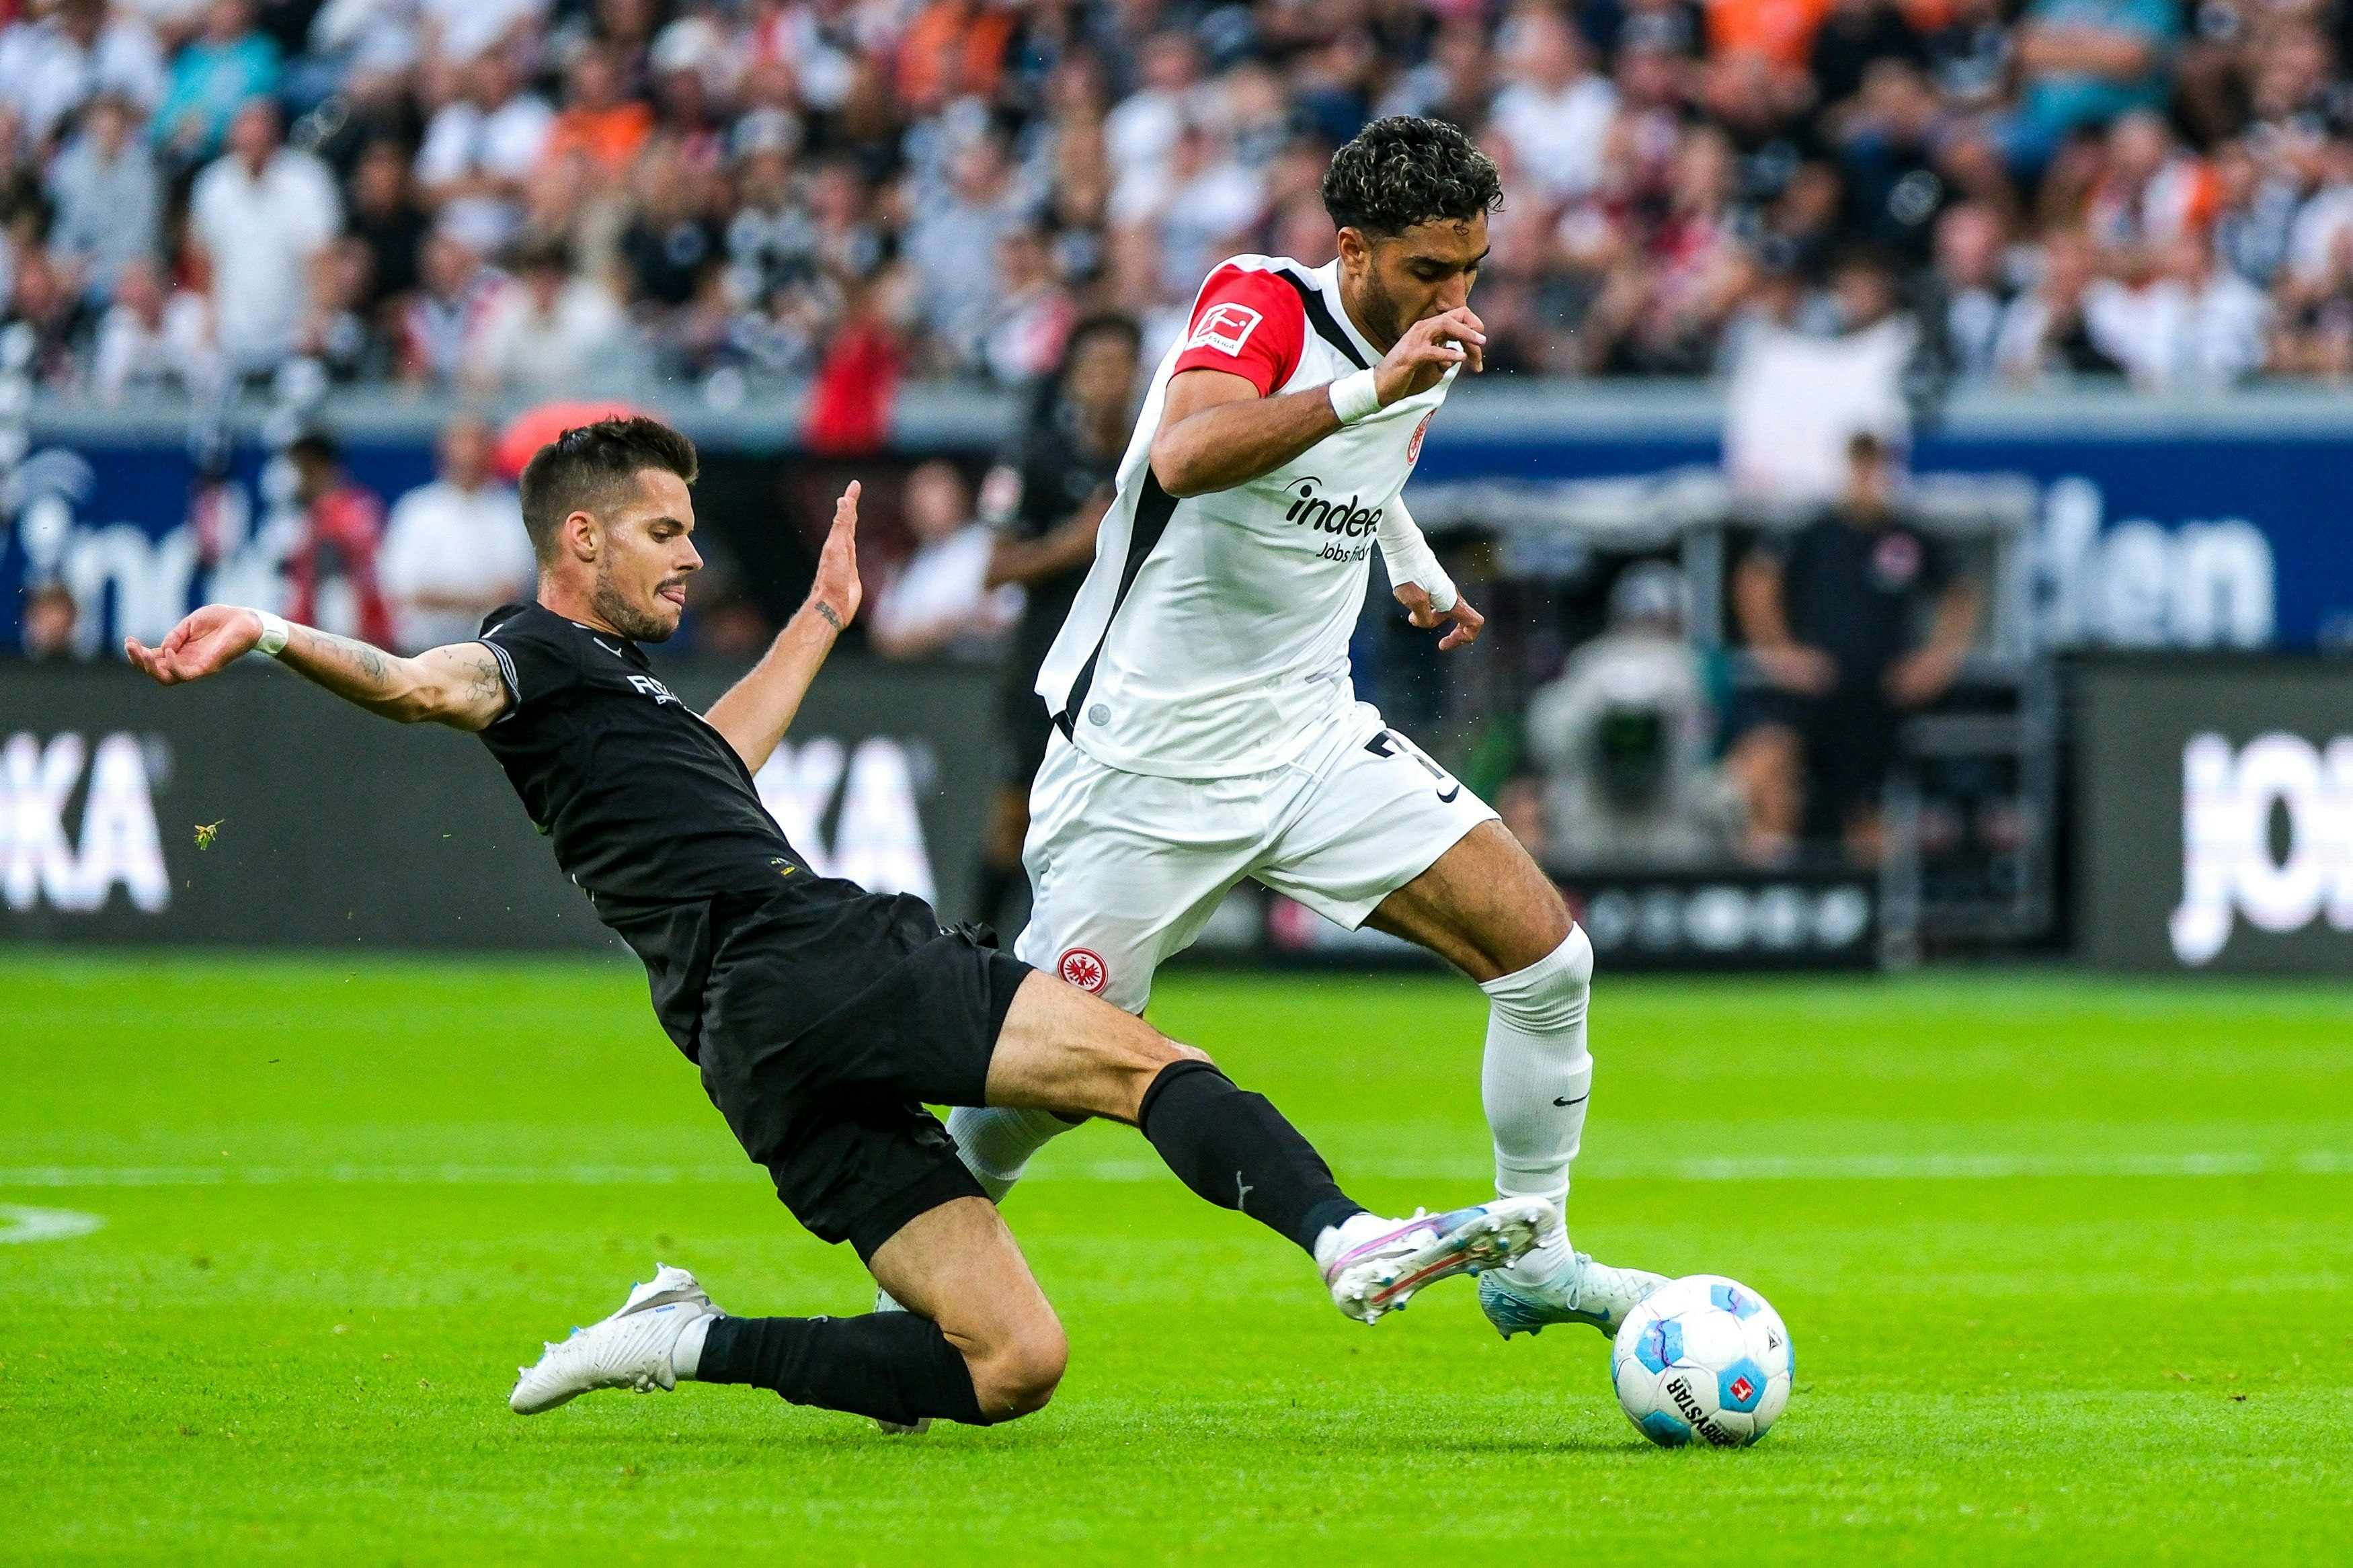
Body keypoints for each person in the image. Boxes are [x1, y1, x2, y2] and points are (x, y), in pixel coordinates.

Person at [124, 416, 1547, 1435]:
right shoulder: (528, 651)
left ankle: (680, 1336)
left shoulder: (609, 692)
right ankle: (1343, 1233)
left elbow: (716, 760)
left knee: (1010, 1360)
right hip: (807, 952)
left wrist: (816, 615)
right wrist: (268, 628)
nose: (688, 557)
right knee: (1139, 1064)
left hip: (747, 1040)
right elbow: (425, 684)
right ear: (578, 534)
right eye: (662, 531)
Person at [943, 118, 1667, 1345]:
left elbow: (1360, 472)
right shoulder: (1260, 301)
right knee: (1043, 1085)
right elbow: (1187, 452)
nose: (1458, 297)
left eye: (1474, 270)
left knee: (1549, 962)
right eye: (1431, 272)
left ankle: (1533, 1249)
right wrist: (1366, 387)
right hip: (1144, 762)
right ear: (1354, 250)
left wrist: (1414, 562)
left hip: (1311, 737)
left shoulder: (1421, 350)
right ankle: (922, 1255)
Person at [1724, 431, 1983, 866]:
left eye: (1879, 466)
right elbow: (1756, 579)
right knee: (1773, 776)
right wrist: (1779, 651)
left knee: (1868, 810)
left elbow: (1961, 593)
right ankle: (1771, 895)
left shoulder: (1907, 537)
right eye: (1863, 466)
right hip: (1812, 695)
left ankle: (1877, 918)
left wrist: (1938, 660)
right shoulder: (1816, 533)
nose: (1871, 478)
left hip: (1874, 700)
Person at [969, 312, 1140, 932]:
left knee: (1106, 820)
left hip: (1128, 664)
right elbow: (993, 570)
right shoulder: (1035, 459)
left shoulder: (1150, 459)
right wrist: (1075, 541)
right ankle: (978, 943)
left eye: (1120, 367)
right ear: (1073, 379)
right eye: (1096, 368)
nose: (1109, 382)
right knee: (1016, 814)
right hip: (1045, 663)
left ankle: (1081, 958)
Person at [1521, 562, 1734, 869]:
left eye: (1663, 621)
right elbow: (1550, 735)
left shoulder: (1692, 672)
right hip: (1592, 829)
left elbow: (1701, 752)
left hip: (1670, 832)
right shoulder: (1590, 666)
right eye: (1643, 620)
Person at [377, 415, 535, 653]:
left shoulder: (510, 512)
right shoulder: (416, 510)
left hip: (491, 651)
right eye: (460, 444)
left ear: (491, 452)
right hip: (419, 650)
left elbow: (513, 590)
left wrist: (441, 598)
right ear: (444, 452)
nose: (468, 455)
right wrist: (480, 599)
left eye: (477, 444)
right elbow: (403, 590)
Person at [864, 460, 1020, 662]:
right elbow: (883, 635)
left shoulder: (988, 544)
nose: (923, 505)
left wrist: (951, 625)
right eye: (917, 496)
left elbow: (1008, 613)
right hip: (926, 679)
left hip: (979, 674)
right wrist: (937, 630)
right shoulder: (915, 562)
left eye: (934, 492)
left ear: (958, 496)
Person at [283, 429, 394, 647]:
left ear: (313, 468)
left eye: (298, 470)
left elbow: (335, 590)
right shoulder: (315, 513)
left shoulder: (341, 515)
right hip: (335, 639)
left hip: (348, 642)